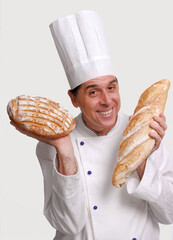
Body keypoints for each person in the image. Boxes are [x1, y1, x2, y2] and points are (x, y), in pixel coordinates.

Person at [11, 10, 173, 240]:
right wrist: (64, 150)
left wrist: (142, 160)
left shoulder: (145, 132)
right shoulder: (52, 144)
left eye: (111, 87)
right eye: (93, 91)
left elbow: (169, 214)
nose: (107, 100)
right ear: (74, 98)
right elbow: (69, 223)